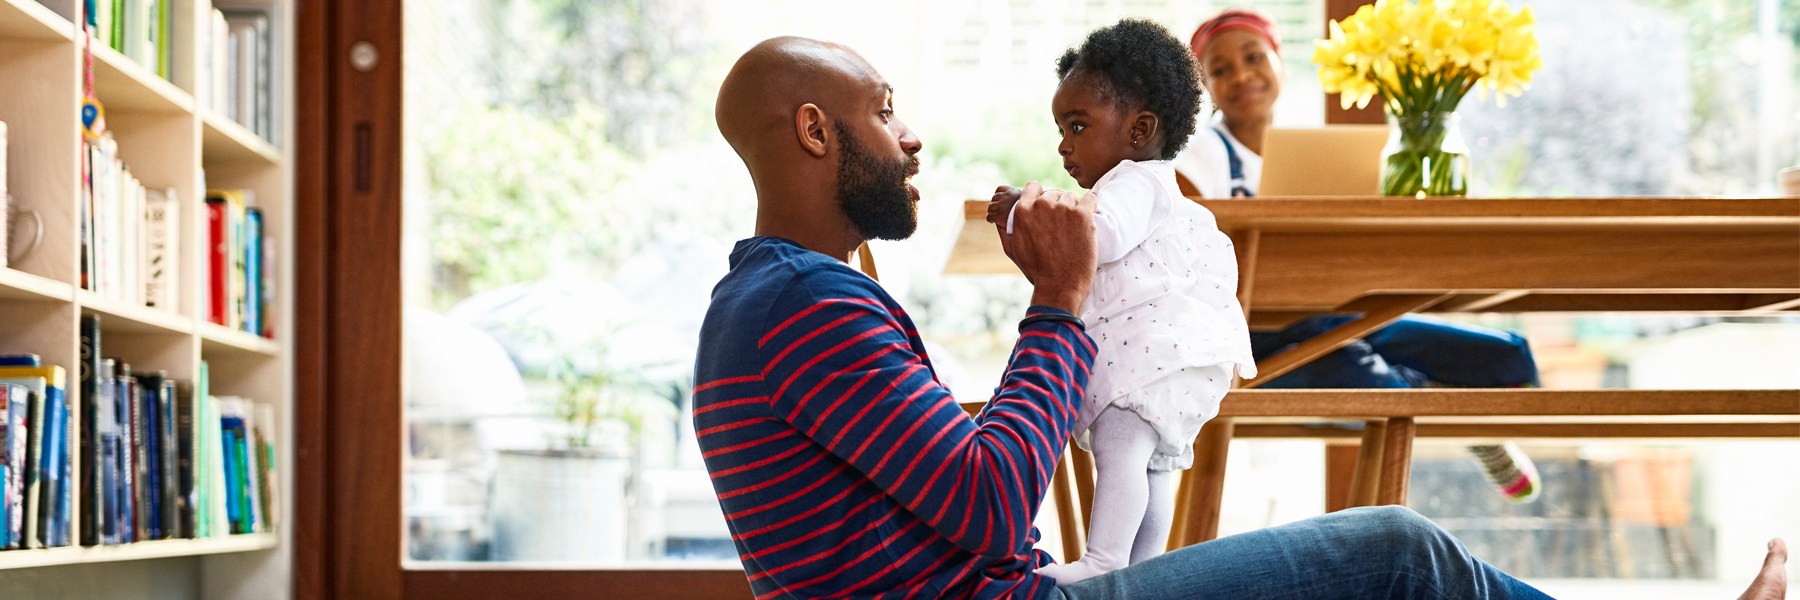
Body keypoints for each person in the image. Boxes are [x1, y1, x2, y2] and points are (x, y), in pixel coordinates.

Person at [694, 35, 1789, 600]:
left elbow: (951, 495)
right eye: (883, 114)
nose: (911, 137)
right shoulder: (802, 303)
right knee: (1399, 551)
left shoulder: (780, 298)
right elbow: (986, 504)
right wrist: (1062, 301)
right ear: (812, 132)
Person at [1176, 8, 1545, 503]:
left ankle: (1429, 400)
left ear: (1280, 61)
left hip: (1335, 315)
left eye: (1253, 57)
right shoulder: (1198, 155)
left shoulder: (1323, 153)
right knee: (1352, 374)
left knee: (1508, 359)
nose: (1241, 75)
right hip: (1256, 338)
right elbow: (1186, 252)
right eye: (1219, 70)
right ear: (1205, 87)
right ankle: (1460, 422)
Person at [987, 19, 1257, 585]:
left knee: (1120, 450)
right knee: (1151, 464)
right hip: (1162, 358)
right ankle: (1144, 571)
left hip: (1144, 359)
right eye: (1061, 128)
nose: (1064, 144)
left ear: (1140, 130)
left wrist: (1025, 208)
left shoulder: (1134, 182)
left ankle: (1105, 560)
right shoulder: (1149, 183)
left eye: (1078, 125)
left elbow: (1092, 240)